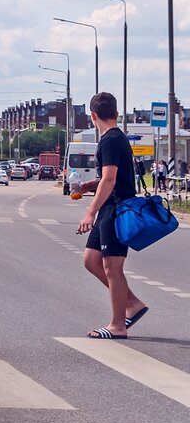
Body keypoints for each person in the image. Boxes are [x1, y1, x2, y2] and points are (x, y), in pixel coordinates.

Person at [77, 92, 147, 339]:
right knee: (91, 260)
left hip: (115, 210)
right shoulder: (115, 138)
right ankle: (132, 303)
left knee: (112, 267)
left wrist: (90, 211)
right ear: (116, 113)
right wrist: (90, 186)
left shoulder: (110, 140)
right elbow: (109, 178)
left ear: (93, 116)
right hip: (109, 208)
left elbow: (110, 179)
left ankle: (118, 324)